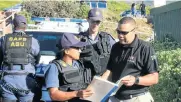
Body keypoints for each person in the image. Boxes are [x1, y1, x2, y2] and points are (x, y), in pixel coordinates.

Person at [102, 17, 159, 102]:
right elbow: (110, 71)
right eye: (118, 31)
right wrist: (98, 84)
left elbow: (154, 78)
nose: (120, 35)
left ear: (134, 31)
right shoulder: (115, 47)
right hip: (116, 97)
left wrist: (135, 80)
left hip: (137, 97)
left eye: (124, 33)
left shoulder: (145, 48)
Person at [0, 15, 40, 102]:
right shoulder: (33, 41)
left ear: (14, 25)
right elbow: (37, 59)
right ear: (25, 26)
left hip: (7, 81)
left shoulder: (4, 40)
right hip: (26, 81)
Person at [43, 33, 93, 102]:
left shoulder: (78, 64)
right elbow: (53, 95)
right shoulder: (54, 67)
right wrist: (76, 94)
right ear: (67, 51)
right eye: (77, 48)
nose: (80, 50)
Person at [79, 8, 116, 82]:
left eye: (98, 22)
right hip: (85, 80)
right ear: (88, 19)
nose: (95, 24)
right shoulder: (79, 39)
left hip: (104, 79)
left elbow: (116, 58)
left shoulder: (108, 38)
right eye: (93, 21)